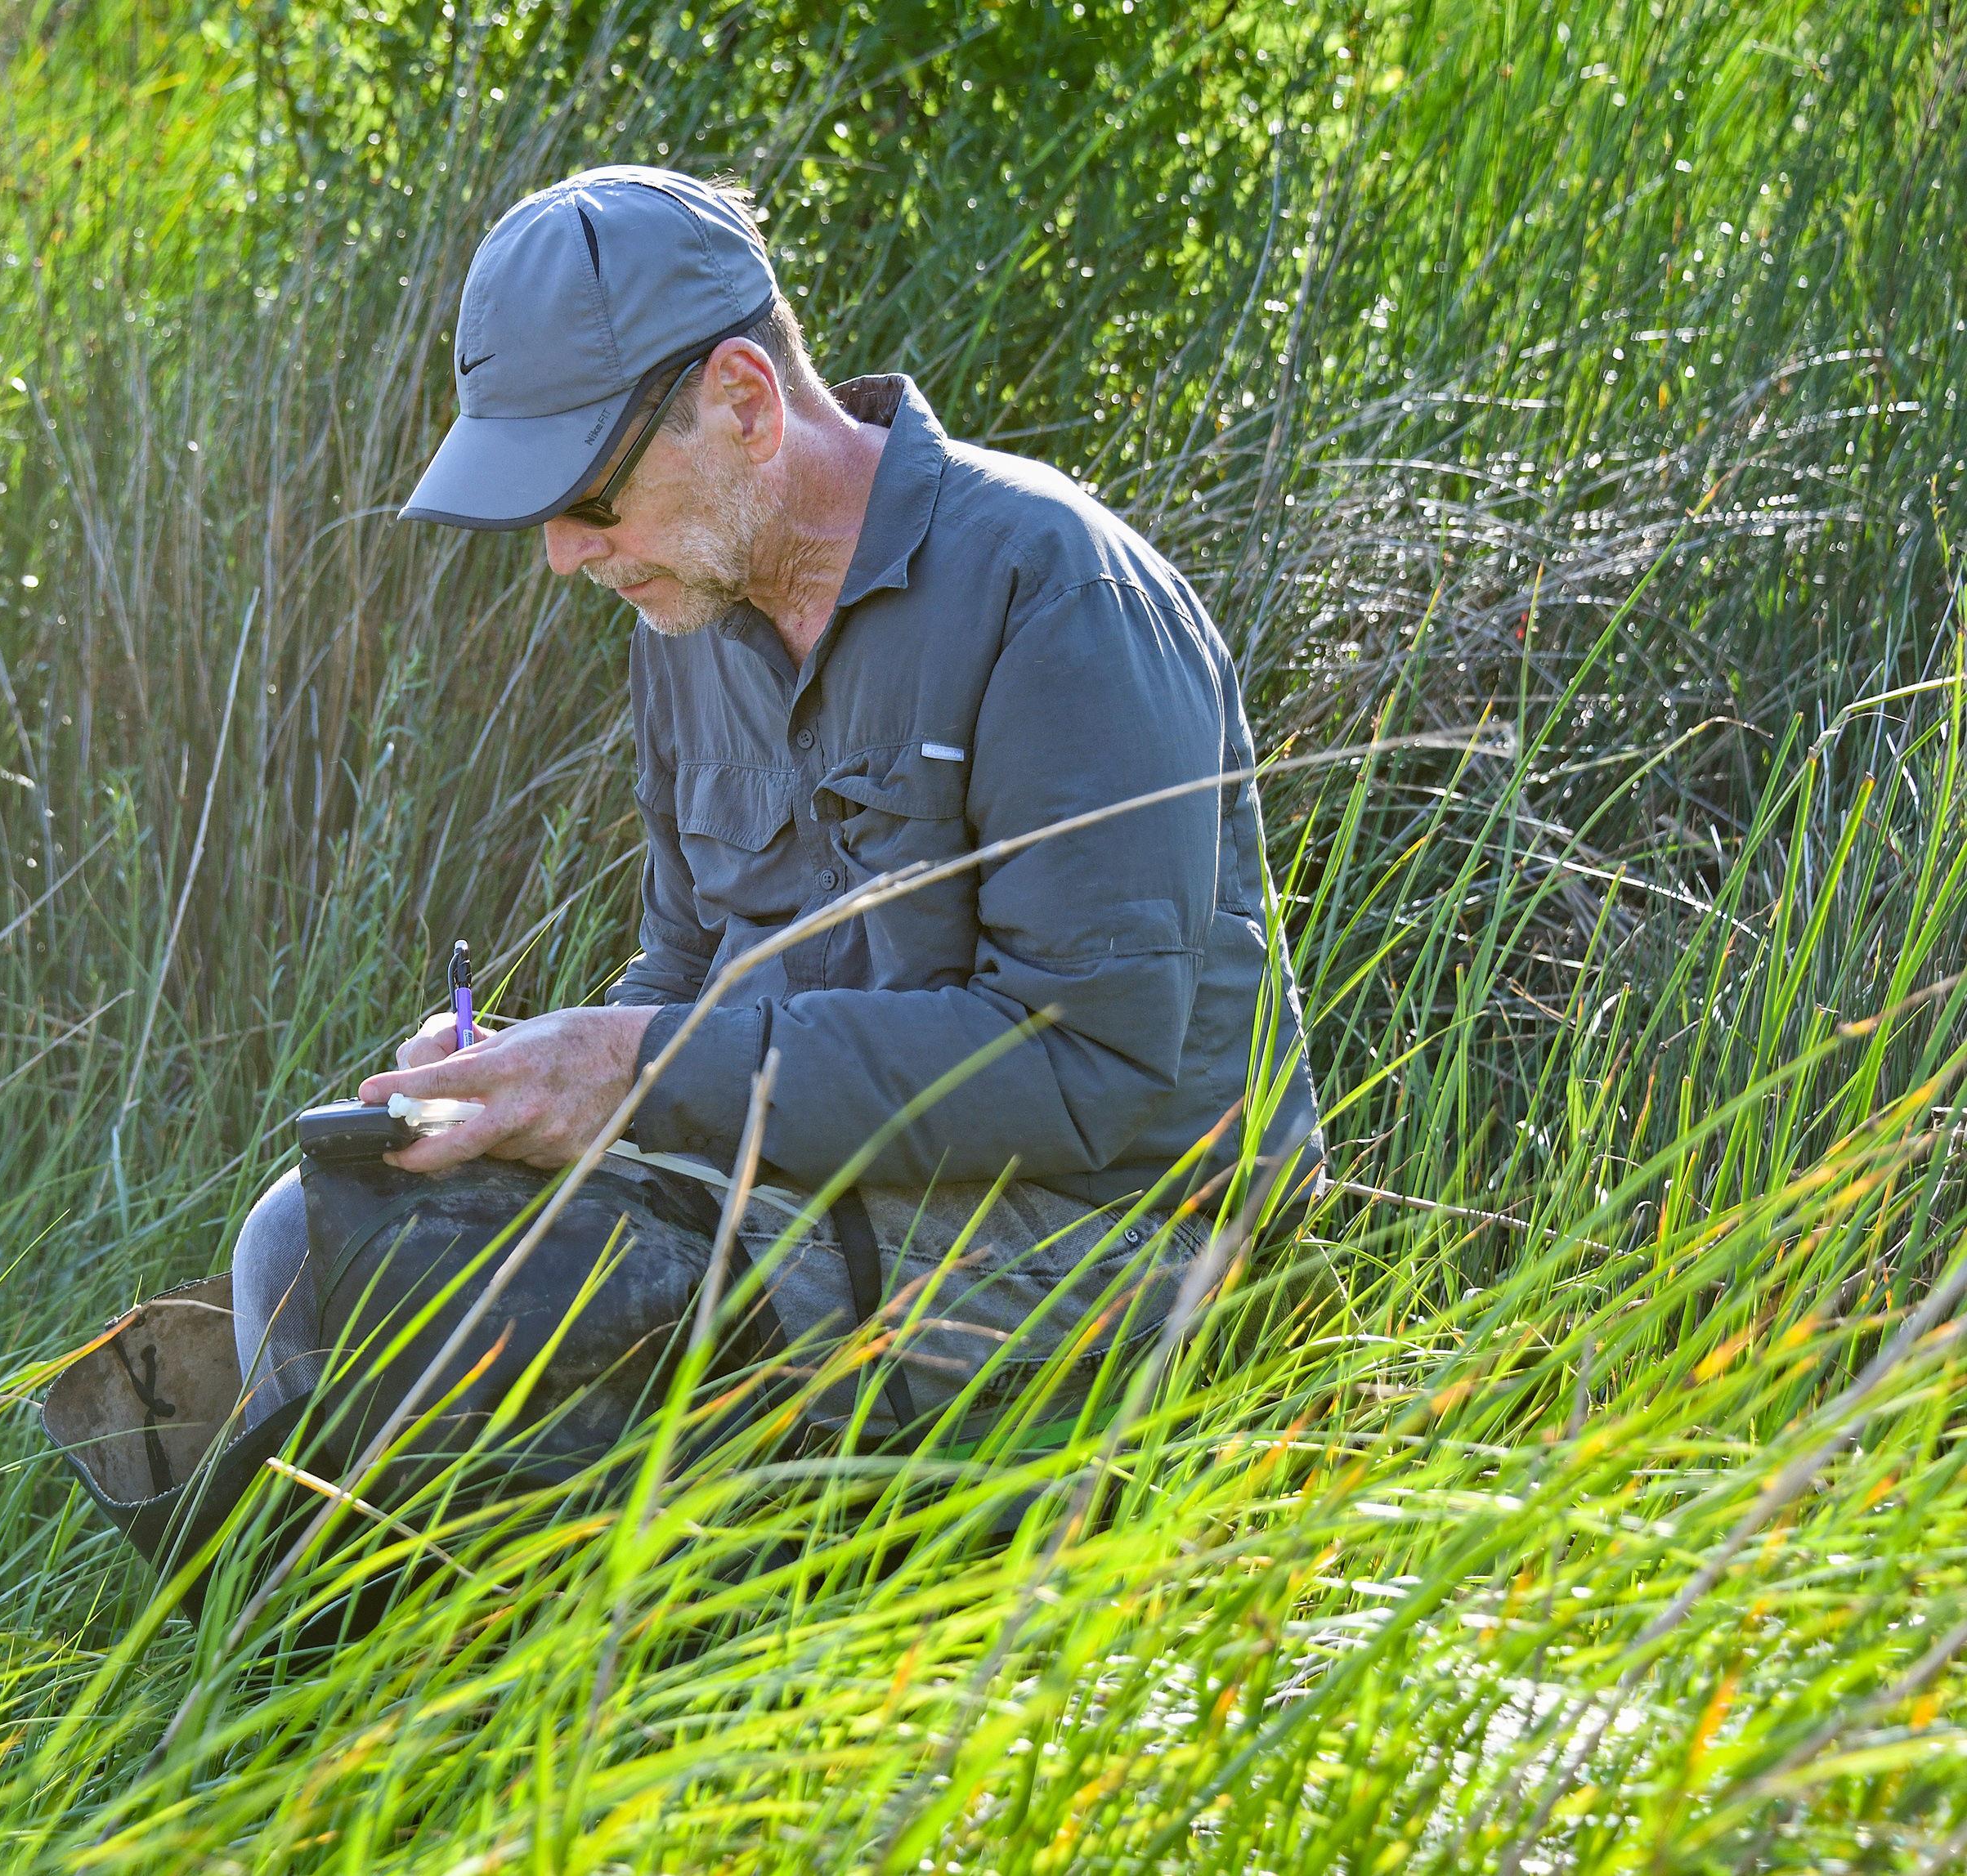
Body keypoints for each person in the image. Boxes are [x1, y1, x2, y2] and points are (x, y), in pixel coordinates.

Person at [213, 164, 1324, 1508]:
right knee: (314, 1241)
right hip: (806, 1182)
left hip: (1118, 1228)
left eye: (590, 498)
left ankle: (672, 1676)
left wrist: (630, 1071)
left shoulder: (1058, 593)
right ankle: (363, 1681)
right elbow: (683, 973)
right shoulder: (685, 620)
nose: (563, 555)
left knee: (552, 1299)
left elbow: (1094, 1070)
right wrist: (526, 1076)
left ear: (743, 403)